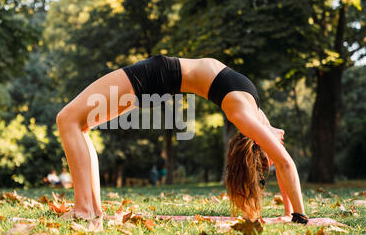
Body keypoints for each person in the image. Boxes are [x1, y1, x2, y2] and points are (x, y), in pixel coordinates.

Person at [56, 54, 308, 224]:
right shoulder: (253, 116)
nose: (275, 148)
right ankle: (92, 211)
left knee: (68, 119)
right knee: (78, 123)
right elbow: (282, 159)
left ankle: (85, 211)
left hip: (158, 75)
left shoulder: (245, 113)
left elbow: (282, 161)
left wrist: (297, 215)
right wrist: (293, 213)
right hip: (162, 74)